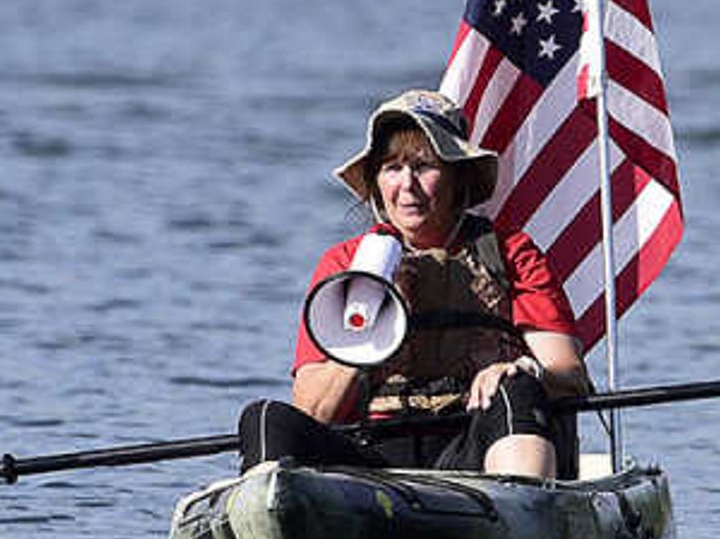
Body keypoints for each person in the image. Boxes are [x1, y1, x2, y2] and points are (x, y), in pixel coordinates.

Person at [238, 90, 590, 480]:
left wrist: (521, 369)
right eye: (392, 167)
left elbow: (570, 374)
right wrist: (363, 336)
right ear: (375, 181)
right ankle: (272, 520)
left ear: (459, 178)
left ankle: (522, 508)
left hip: (473, 445)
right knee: (264, 418)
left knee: (516, 388)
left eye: (424, 166)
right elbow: (314, 411)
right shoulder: (344, 264)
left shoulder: (510, 252)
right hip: (373, 459)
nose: (407, 185)